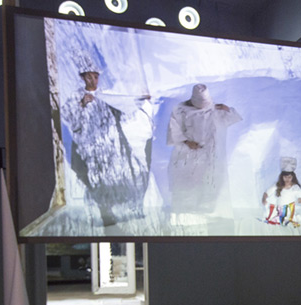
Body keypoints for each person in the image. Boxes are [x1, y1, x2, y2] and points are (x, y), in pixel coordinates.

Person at [61, 51, 152, 227]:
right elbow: (67, 116)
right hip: (91, 147)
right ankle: (105, 212)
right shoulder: (76, 96)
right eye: (90, 77)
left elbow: (123, 107)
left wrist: (140, 101)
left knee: (117, 175)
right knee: (98, 179)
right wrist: (82, 104)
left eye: (96, 77)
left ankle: (126, 210)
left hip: (111, 145)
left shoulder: (106, 94)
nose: (94, 80)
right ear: (84, 77)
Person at [166, 84, 242, 218]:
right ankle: (185, 210)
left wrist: (228, 109)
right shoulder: (181, 110)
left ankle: (207, 209)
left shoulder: (215, 110)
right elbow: (174, 129)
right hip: (188, 153)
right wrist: (186, 142)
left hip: (209, 154)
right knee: (187, 181)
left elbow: (234, 118)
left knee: (208, 180)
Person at [262, 157, 301, 227]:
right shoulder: (278, 185)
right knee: (272, 216)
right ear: (282, 177)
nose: (287, 179)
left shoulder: (295, 187)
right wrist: (264, 199)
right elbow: (267, 192)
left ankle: (291, 219)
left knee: (290, 219)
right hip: (280, 210)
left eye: (289, 177)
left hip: (290, 210)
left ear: (293, 177)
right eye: (285, 177)